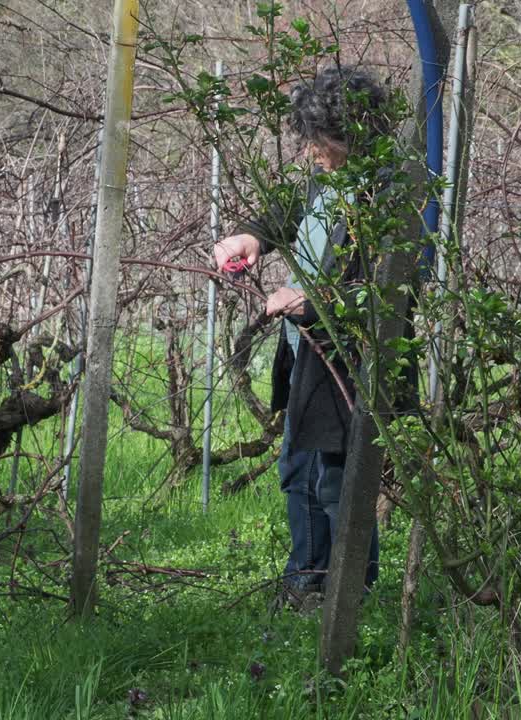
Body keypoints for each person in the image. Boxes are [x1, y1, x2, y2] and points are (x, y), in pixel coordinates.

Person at [213, 65, 399, 607]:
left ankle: (347, 599)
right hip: (306, 355)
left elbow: (389, 288)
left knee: (340, 485)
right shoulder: (328, 176)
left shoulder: (389, 192)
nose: (311, 151)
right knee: (298, 473)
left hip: (349, 362)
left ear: (351, 135)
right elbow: (292, 210)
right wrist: (251, 236)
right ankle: (303, 585)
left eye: (320, 140)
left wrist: (317, 301)